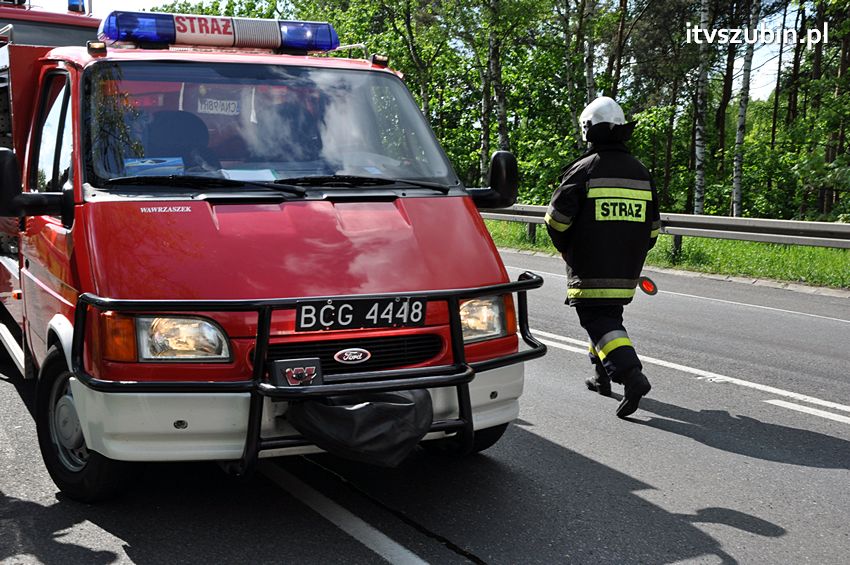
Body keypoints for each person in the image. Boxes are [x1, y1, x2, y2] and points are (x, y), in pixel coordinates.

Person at [544, 96, 661, 418]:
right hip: (626, 269)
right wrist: (630, 254)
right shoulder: (641, 172)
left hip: (590, 266)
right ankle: (600, 376)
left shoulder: (584, 169)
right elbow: (653, 230)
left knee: (597, 319)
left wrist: (570, 249)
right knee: (607, 319)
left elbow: (556, 221)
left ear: (589, 131)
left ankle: (630, 375)